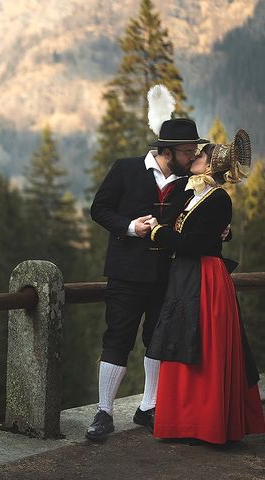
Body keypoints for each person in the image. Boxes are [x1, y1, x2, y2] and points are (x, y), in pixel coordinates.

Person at [86, 116, 210, 441]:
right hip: (125, 275)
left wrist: (222, 231)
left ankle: (148, 407)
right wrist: (131, 227)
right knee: (117, 339)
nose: (192, 157)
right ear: (167, 151)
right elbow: (98, 209)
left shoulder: (187, 183)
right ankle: (104, 412)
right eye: (187, 152)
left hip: (165, 276)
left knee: (156, 340)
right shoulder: (125, 169)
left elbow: (198, 220)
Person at [147, 129, 265, 443]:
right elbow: (194, 230)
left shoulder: (218, 198)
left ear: (212, 165)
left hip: (205, 277)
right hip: (184, 276)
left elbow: (196, 243)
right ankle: (183, 421)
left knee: (204, 346)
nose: (194, 158)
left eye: (200, 156)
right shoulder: (190, 194)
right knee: (181, 339)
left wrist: (159, 233)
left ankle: (206, 424)